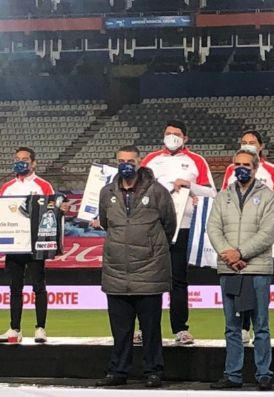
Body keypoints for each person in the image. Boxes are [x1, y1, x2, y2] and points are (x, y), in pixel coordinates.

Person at [95, 146, 176, 388]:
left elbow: (169, 225)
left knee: (151, 329)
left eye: (130, 160)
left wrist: (150, 247)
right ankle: (118, 371)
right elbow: (106, 222)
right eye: (121, 161)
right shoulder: (106, 192)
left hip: (150, 270)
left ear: (139, 162)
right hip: (117, 270)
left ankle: (153, 371)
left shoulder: (158, 192)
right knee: (120, 330)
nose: (126, 164)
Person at [207, 148, 274, 391]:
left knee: (261, 325)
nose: (241, 168)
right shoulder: (222, 196)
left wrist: (240, 253)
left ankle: (264, 374)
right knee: (232, 327)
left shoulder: (268, 196)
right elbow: (213, 229)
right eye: (237, 164)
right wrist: (229, 255)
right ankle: (233, 375)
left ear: (256, 168)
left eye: (246, 165)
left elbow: (267, 233)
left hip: (256, 269)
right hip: (230, 270)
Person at [140, 119, 216, 345]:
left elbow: (212, 192)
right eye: (167, 133)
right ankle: (146, 329)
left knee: (178, 281)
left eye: (176, 133)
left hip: (183, 227)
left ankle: (180, 329)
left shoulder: (196, 161)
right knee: (148, 281)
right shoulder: (150, 160)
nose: (171, 137)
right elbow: (139, 189)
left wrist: (189, 185)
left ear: (185, 138)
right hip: (152, 227)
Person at [220, 130, 274, 344]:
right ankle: (242, 328)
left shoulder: (272, 171)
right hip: (234, 241)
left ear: (261, 146)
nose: (248, 145)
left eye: (252, 142)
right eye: (244, 142)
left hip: (260, 241)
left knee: (256, 292)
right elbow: (222, 199)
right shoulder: (231, 171)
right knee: (238, 289)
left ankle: (261, 366)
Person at [0, 147, 56, 344]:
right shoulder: (7, 187)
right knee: (14, 289)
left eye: (25, 159)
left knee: (38, 287)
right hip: (14, 246)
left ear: (33, 163)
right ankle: (14, 329)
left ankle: (40, 328)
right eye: (17, 159)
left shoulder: (43, 185)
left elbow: (53, 212)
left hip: (35, 245)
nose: (20, 162)